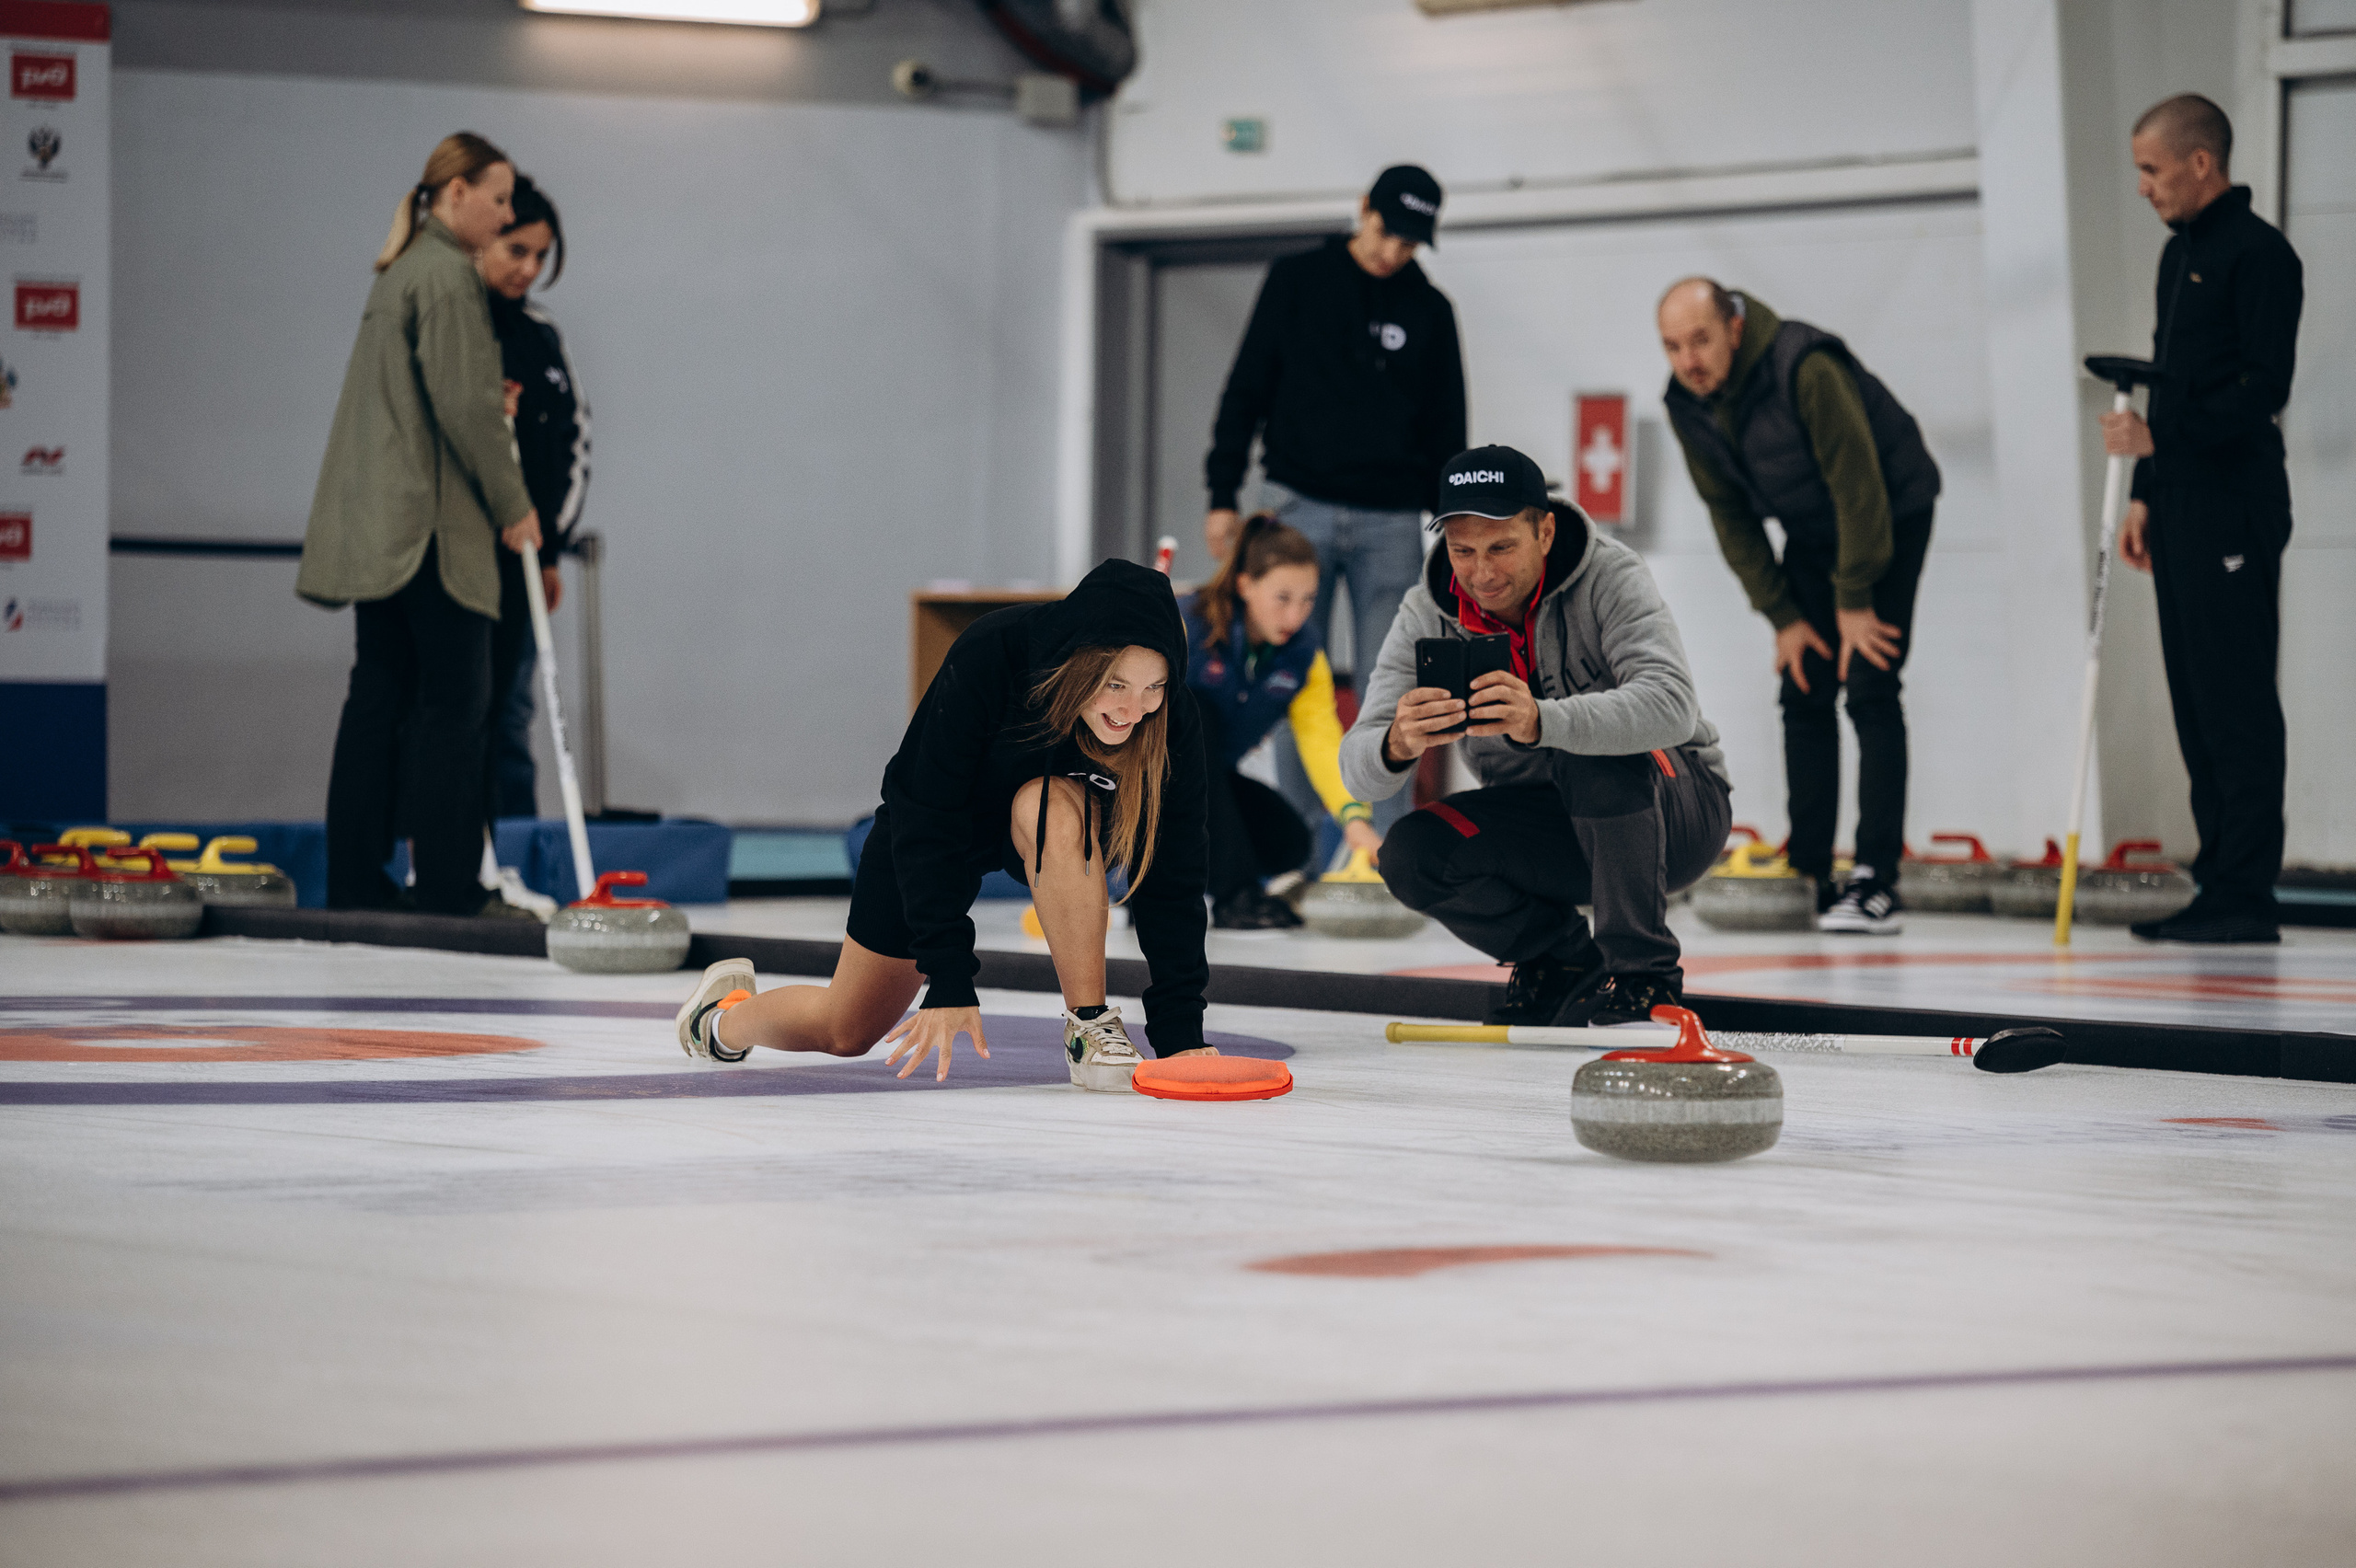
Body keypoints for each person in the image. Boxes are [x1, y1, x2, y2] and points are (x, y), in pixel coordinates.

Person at [672, 559, 1217, 1090]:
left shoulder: (1171, 721)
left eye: (1154, 688)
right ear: (1080, 662)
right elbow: (923, 811)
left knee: (1042, 802)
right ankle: (720, 1019)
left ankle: (1090, 1025)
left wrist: (1180, 1035)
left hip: (1053, 822)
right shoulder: (993, 653)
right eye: (1115, 685)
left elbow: (1176, 878)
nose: (1132, 710)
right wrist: (948, 977)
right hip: (938, 830)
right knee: (845, 1029)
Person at [1341, 446, 1732, 1028]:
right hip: (1553, 823)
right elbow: (1356, 767)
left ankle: (1643, 974)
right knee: (1411, 853)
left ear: (1545, 533)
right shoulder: (1427, 608)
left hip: (1678, 812)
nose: (1481, 572)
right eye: (1462, 551)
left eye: (1502, 547)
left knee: (1590, 750)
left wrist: (1543, 721)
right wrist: (1397, 741)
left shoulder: (1610, 574)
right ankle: (1560, 959)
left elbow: (1673, 704)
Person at [297, 133, 542, 916]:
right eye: (499, 198)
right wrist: (516, 507)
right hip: (433, 536)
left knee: (377, 696)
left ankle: (353, 881)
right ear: (456, 192)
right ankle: (444, 885)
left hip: (383, 533)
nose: (506, 213)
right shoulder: (445, 279)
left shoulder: (399, 271)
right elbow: (466, 410)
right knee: (454, 705)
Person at [1657, 278, 1940, 935]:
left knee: (1870, 684)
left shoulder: (1804, 366)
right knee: (1804, 682)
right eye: (1673, 347)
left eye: (1700, 340)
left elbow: (1859, 484)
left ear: (1733, 326)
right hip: (1814, 531)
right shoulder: (1686, 403)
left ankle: (1877, 880)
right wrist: (1783, 617)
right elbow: (1730, 517)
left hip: (1889, 514)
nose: (1688, 361)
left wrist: (1855, 599)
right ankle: (1811, 868)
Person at [1203, 164, 1466, 836]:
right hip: (1298, 505)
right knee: (1293, 677)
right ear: (1362, 210)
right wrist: (1223, 492)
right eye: (1385, 232)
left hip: (1390, 519)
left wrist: (1454, 530)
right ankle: (1300, 844)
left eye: (1409, 244)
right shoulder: (1298, 281)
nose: (1391, 252)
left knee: (1392, 686)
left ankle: (1383, 851)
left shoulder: (1430, 312)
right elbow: (1246, 387)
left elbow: (1447, 428)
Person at [2106, 96, 2303, 945]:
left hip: (2235, 503)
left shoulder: (2262, 257)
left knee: (2235, 698)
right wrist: (2145, 486)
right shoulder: (2174, 258)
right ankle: (2217, 879)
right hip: (2181, 499)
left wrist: (2164, 437)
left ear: (2199, 162)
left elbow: (2264, 389)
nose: (2143, 187)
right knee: (2193, 697)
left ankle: (2246, 892)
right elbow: (2168, 381)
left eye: (2151, 170)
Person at [1183, 514, 1381, 929]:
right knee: (1192, 715)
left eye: (1308, 599)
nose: (1297, 614)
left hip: (1207, 782)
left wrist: (1353, 817)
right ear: (1245, 586)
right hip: (1144, 785)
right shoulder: (1186, 625)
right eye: (1283, 597)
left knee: (1288, 842)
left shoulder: (1303, 656)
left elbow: (1322, 740)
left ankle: (1185, 882)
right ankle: (1234, 895)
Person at [478, 173, 591, 822]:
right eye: (516, 250)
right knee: (452, 708)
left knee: (513, 710)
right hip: (460, 556)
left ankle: (515, 850)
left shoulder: (543, 335)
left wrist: (550, 547)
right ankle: (442, 859)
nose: (529, 268)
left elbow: (576, 441)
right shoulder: (456, 327)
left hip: (526, 556)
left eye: (541, 256)